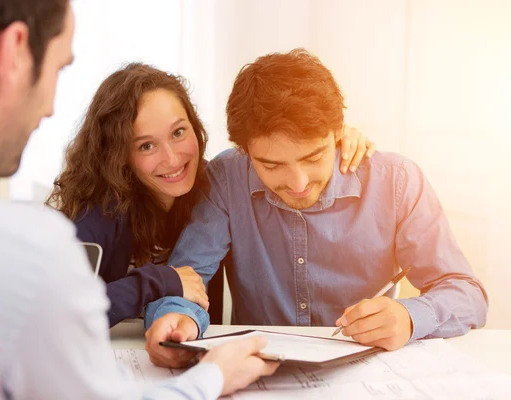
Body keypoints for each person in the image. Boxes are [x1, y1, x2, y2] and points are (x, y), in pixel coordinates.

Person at [0, 1, 280, 398]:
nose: (50, 109)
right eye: (60, 67)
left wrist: (340, 146)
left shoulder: (215, 188)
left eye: (178, 132)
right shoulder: (68, 230)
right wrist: (207, 366)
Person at [144, 49, 489, 368]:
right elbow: (184, 281)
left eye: (313, 157)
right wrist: (178, 320)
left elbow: (467, 294)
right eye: (271, 164)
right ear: (244, 150)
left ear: (338, 133)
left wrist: (409, 317)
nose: (297, 182)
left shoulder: (396, 181)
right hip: (258, 375)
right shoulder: (225, 178)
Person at [46, 62, 376, 327]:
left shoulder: (213, 185)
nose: (173, 159)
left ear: (195, 126)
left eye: (178, 132)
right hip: (111, 360)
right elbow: (58, 311)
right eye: (146, 145)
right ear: (120, 154)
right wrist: (161, 280)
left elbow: (269, 148)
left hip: (190, 353)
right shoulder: (101, 212)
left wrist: (328, 139)